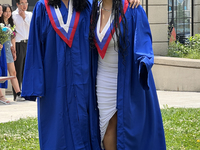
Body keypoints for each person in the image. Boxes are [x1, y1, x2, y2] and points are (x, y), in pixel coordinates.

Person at [21, 0, 140, 149]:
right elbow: (35, 47)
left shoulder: (87, 7)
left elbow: (108, 17)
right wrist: (35, 84)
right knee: (57, 130)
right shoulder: (43, 8)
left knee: (83, 126)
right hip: (54, 86)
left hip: (83, 84)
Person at [89, 0, 166, 149]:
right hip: (103, 78)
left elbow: (143, 39)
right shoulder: (92, 9)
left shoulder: (132, 9)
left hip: (127, 78)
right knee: (106, 126)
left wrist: (144, 62)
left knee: (127, 127)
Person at [0, 4, 25, 101]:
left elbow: (12, 38)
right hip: (1, 50)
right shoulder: (0, 23)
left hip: (8, 50)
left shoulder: (10, 23)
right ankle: (1, 96)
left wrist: (13, 49)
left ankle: (18, 93)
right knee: (1, 73)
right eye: (5, 11)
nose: (7, 13)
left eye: (9, 11)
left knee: (13, 72)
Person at [12, 0, 32, 100]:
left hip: (28, 43)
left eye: (26, 3)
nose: (24, 5)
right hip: (19, 44)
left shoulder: (30, 14)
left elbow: (32, 27)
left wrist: (24, 17)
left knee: (27, 69)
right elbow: (12, 31)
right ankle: (17, 94)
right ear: (17, 4)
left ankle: (27, 92)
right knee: (18, 69)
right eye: (22, 3)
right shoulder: (13, 15)